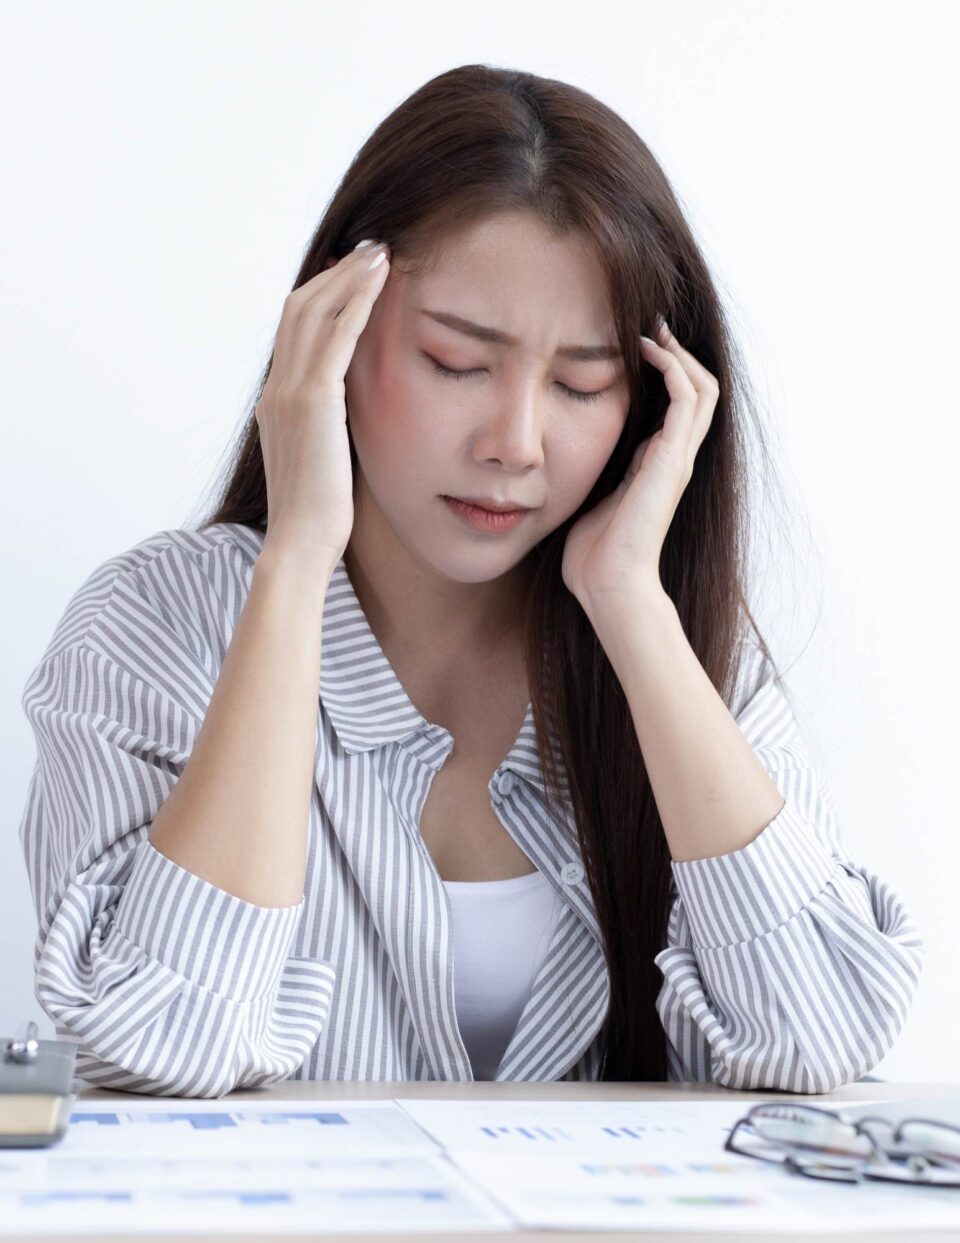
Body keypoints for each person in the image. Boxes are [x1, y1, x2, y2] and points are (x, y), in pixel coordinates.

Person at [18, 64, 923, 1098]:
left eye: (583, 383)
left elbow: (819, 1037)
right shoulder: (154, 628)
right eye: (456, 361)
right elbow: (151, 1045)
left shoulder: (687, 657)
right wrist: (299, 557)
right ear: (332, 340)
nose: (515, 443)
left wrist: (631, 604)